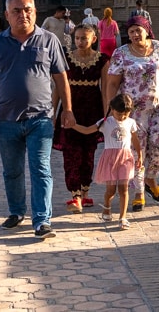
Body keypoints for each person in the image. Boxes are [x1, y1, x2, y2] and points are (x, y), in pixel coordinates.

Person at [0, 0, 73, 241]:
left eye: (28, 9)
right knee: (12, 171)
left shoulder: (49, 40)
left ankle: (42, 220)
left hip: (40, 119)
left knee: (41, 169)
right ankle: (16, 212)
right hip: (5, 120)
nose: (24, 14)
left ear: (35, 12)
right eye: (17, 11)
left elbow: (61, 78)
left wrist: (68, 110)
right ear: (6, 15)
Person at [101, 14, 159, 211]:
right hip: (131, 112)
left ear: (147, 30)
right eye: (131, 32)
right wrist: (111, 109)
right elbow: (111, 83)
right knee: (136, 151)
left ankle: (151, 180)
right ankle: (138, 192)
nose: (135, 35)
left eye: (138, 30)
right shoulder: (121, 54)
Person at [55, 23, 109, 213]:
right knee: (71, 153)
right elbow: (58, 88)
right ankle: (75, 195)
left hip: (92, 111)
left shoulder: (102, 60)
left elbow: (105, 91)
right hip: (71, 109)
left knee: (89, 153)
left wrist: (107, 116)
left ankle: (85, 192)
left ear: (93, 39)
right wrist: (53, 113)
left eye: (84, 38)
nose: (80, 42)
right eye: (77, 38)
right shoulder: (65, 58)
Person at [69, 93, 142, 228]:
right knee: (111, 190)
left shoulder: (131, 123)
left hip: (125, 158)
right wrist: (73, 126)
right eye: (119, 113)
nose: (122, 117)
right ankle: (107, 206)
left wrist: (140, 155)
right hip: (110, 159)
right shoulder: (105, 122)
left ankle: (123, 217)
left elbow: (135, 140)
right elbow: (86, 130)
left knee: (123, 189)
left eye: (125, 114)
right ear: (112, 109)